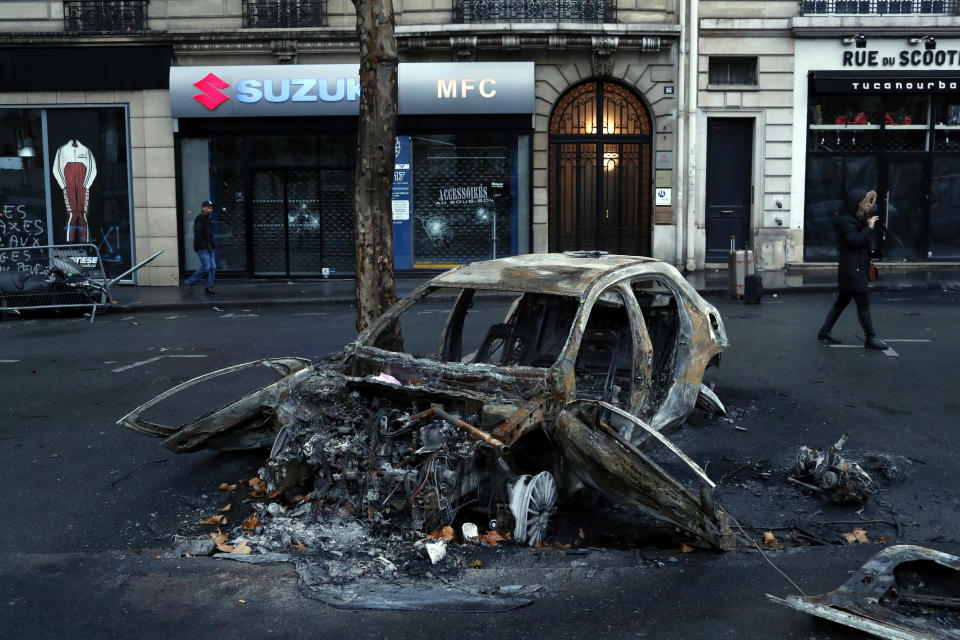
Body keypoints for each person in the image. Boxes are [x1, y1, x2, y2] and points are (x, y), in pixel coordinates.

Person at [817, 188, 888, 350]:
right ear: (858, 204)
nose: (870, 206)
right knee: (863, 304)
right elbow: (854, 241)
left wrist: (873, 254)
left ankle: (824, 331)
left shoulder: (857, 221)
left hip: (855, 268)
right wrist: (869, 228)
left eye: (871, 202)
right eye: (866, 203)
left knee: (841, 302)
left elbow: (859, 246)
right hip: (852, 270)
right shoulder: (848, 222)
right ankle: (871, 337)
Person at [183, 200, 217, 294]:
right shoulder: (200, 218)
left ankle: (209, 286)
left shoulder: (208, 219)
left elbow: (209, 234)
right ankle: (189, 282)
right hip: (202, 247)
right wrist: (206, 245)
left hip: (210, 247)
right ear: (204, 208)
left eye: (211, 208)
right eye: (209, 208)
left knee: (212, 267)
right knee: (206, 267)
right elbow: (198, 233)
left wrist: (212, 245)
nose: (211, 209)